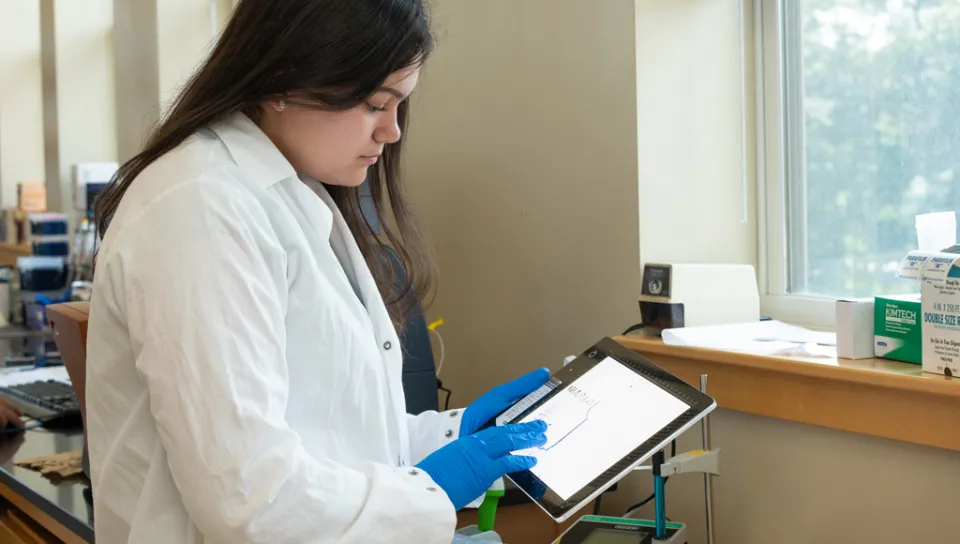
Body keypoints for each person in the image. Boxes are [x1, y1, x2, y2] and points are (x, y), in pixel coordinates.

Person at [86, 1, 550, 543]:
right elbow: (251, 500)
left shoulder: (291, 194)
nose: (392, 132)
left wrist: (451, 440)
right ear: (285, 79)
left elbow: (329, 436)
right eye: (378, 104)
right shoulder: (201, 208)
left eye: (400, 106)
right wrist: (436, 486)